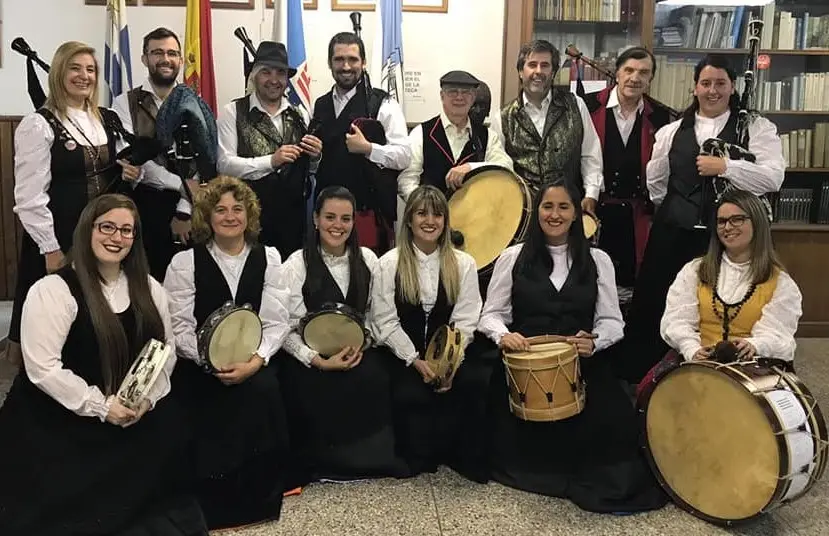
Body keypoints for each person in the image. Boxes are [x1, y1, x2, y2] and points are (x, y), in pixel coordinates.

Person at [0, 194, 207, 536]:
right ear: (87, 230)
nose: (117, 237)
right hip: (63, 416)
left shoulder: (149, 288)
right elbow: (43, 369)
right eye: (107, 227)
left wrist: (147, 399)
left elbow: (165, 350)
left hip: (129, 412)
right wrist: (101, 406)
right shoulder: (53, 290)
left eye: (127, 230)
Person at [476, 180, 667, 513]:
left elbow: (612, 322)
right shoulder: (512, 258)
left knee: (616, 427)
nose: (555, 214)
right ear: (537, 213)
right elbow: (490, 315)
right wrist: (503, 336)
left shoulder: (598, 259)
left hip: (581, 361)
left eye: (564, 207)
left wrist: (595, 342)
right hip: (525, 362)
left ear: (577, 214)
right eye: (547, 207)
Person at [622, 54, 786, 383]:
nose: (712, 90)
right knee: (661, 302)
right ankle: (652, 380)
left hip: (727, 236)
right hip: (673, 232)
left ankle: (720, 375)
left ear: (732, 87)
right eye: (706, 83)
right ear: (695, 87)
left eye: (720, 83)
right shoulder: (670, 132)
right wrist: (678, 209)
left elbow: (772, 178)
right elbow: (656, 182)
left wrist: (726, 168)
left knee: (720, 305)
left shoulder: (755, 127)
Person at [163, 176, 292, 529]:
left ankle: (257, 498)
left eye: (238, 209)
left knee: (262, 391)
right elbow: (179, 328)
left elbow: (277, 322)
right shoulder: (184, 264)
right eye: (220, 209)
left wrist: (255, 362)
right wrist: (209, 359)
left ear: (249, 215)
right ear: (207, 217)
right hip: (201, 365)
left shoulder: (270, 258)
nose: (230, 216)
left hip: (252, 361)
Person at [7, 41, 132, 366]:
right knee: (56, 315)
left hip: (102, 234)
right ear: (60, 72)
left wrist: (129, 168)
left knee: (95, 314)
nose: (84, 76)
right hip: (61, 235)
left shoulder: (105, 118)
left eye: (90, 69)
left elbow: (109, 168)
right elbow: (29, 197)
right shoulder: (39, 124)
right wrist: (50, 248)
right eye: (75, 68)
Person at [278, 186, 407, 483]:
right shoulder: (296, 264)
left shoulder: (369, 260)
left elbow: (378, 316)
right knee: (310, 384)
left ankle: (367, 461)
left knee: (376, 377)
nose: (338, 225)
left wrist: (362, 344)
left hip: (358, 350)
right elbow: (285, 325)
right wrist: (317, 359)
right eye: (330, 217)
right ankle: (322, 464)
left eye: (345, 218)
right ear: (315, 219)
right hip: (314, 355)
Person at [638, 189, 802, 396]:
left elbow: (777, 333)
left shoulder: (781, 282)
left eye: (737, 220)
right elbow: (676, 319)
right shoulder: (695, 271)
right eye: (722, 221)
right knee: (652, 398)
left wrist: (755, 344)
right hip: (698, 362)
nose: (727, 227)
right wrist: (691, 348)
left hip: (754, 368)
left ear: (757, 223)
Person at [372, 185, 485, 477]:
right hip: (404, 357)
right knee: (413, 396)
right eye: (421, 213)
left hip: (450, 358)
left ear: (446, 222)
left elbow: (466, 318)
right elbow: (384, 321)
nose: (430, 220)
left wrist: (449, 365)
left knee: (471, 385)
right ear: (409, 219)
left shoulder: (464, 264)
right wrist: (414, 359)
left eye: (437, 214)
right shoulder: (388, 263)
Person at [218, 41, 322, 260]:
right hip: (246, 220)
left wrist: (315, 157)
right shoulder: (233, 112)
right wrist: (271, 161)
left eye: (280, 73)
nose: (274, 80)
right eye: (266, 72)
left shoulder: (300, 114)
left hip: (293, 223)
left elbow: (309, 172)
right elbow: (224, 164)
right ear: (254, 76)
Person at [581, 47, 672, 294]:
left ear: (650, 79)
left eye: (644, 72)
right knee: (590, 281)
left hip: (637, 215)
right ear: (617, 73)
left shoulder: (661, 118)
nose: (635, 77)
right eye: (629, 70)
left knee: (633, 284)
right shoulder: (587, 107)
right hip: (592, 211)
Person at [312, 32, 411, 253]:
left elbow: (404, 155)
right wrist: (315, 156)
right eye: (339, 59)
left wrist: (368, 149)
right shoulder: (319, 105)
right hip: (327, 215)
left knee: (369, 280)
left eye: (353, 59)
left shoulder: (383, 103)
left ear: (363, 63)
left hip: (368, 213)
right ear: (330, 63)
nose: (346, 66)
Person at [112, 27, 196, 281]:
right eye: (157, 52)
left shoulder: (194, 102)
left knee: (184, 284)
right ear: (144, 58)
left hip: (190, 209)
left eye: (172, 53)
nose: (165, 59)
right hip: (143, 204)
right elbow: (130, 158)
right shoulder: (124, 103)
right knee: (143, 282)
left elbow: (204, 158)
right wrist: (183, 186)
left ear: (181, 60)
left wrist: (184, 210)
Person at [491, 40, 603, 214]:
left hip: (569, 211)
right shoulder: (503, 118)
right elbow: (500, 171)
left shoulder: (576, 105)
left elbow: (590, 154)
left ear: (553, 72)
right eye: (532, 65)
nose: (538, 71)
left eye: (545, 65)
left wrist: (591, 194)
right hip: (524, 215)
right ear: (521, 72)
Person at [397, 70, 513, 201]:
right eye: (453, 91)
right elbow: (406, 180)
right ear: (442, 96)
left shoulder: (487, 136)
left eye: (466, 92)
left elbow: (506, 167)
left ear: (473, 97)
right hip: (432, 219)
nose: (459, 97)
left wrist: (471, 167)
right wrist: (425, 207)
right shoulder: (421, 133)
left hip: (475, 218)